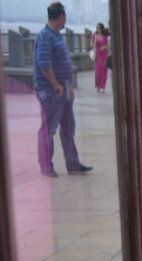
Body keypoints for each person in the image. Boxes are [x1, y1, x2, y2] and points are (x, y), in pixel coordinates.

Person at [34, 2, 91, 177]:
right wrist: (55, 84)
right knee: (48, 129)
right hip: (50, 91)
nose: (66, 19)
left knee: (68, 127)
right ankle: (46, 165)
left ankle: (73, 164)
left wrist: (67, 87)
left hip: (63, 90)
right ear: (60, 17)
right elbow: (44, 64)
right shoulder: (45, 36)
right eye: (65, 16)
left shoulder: (56, 36)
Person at [92, 23, 109, 92]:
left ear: (102, 29)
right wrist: (94, 43)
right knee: (97, 72)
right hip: (97, 55)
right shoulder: (94, 36)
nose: (98, 29)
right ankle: (97, 85)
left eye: (99, 28)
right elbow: (91, 44)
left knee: (104, 72)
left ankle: (103, 87)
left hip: (103, 55)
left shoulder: (105, 37)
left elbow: (108, 46)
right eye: (97, 28)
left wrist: (104, 47)